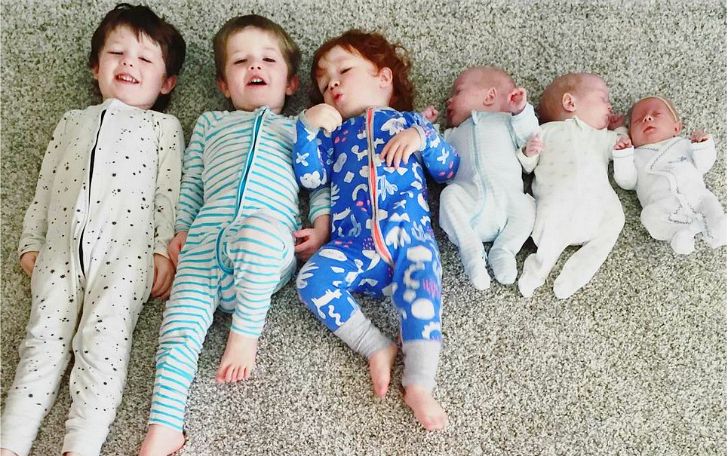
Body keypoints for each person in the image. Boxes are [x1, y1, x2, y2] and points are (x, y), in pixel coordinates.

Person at [138, 14, 330, 456]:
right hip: (205, 241)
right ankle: (165, 426)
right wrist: (181, 229)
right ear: (224, 85)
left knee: (260, 232)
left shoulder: (299, 128)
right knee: (178, 329)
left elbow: (320, 183)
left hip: (265, 247)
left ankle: (245, 332)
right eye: (241, 61)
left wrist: (321, 227)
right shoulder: (210, 124)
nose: (254, 67)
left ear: (290, 82)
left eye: (267, 60)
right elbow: (192, 182)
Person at [1, 4, 186, 456]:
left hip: (127, 254)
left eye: (145, 59)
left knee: (102, 347)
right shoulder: (72, 121)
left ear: (166, 83)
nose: (128, 63)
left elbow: (169, 192)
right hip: (59, 250)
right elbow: (46, 183)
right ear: (95, 67)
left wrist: (161, 250)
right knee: (40, 344)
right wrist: (31, 239)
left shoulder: (163, 126)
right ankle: (10, 443)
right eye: (117, 53)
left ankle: (80, 446)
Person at [293, 30, 459, 431]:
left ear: (384, 78)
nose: (332, 83)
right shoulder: (332, 137)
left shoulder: (409, 122)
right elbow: (311, 178)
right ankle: (374, 346)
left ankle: (419, 384)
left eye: (344, 71)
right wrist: (306, 128)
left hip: (409, 238)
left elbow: (449, 169)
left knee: (423, 296)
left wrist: (422, 136)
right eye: (323, 82)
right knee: (311, 281)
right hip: (353, 246)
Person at [516, 72, 633, 299]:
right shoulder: (544, 132)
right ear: (570, 102)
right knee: (549, 229)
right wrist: (528, 152)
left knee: (616, 219)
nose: (610, 105)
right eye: (603, 98)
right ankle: (537, 271)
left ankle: (576, 275)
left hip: (597, 205)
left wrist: (621, 133)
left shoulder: (601, 136)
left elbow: (622, 145)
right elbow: (526, 166)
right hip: (557, 204)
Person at [424, 66, 540, 290]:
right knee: (449, 196)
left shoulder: (508, 122)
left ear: (490, 96)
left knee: (529, 206)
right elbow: (432, 164)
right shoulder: (450, 135)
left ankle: (504, 249)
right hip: (469, 207)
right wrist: (426, 129)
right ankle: (470, 248)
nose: (448, 101)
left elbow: (529, 138)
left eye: (458, 92)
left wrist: (521, 112)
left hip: (508, 205)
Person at [610, 96, 726, 253]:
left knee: (711, 205)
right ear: (631, 135)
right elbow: (626, 182)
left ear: (676, 128)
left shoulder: (685, 144)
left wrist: (703, 146)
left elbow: (703, 165)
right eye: (638, 120)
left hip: (697, 196)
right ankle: (679, 234)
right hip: (662, 205)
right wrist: (622, 154)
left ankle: (717, 230)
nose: (647, 118)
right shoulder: (635, 156)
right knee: (649, 217)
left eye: (656, 114)